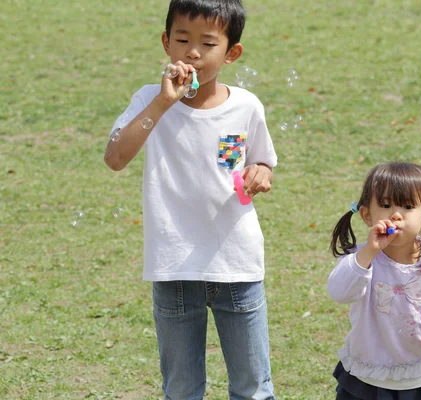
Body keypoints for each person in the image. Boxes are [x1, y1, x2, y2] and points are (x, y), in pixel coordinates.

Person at [103, 1, 277, 399]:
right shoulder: (149, 99)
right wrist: (163, 103)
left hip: (237, 265)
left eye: (207, 43)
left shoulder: (246, 107)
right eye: (182, 39)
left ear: (231, 52)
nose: (193, 52)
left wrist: (261, 173)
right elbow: (115, 158)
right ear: (166, 43)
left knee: (253, 388)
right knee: (181, 389)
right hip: (173, 268)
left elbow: (261, 159)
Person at [327, 162, 421, 400]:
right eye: (385, 205)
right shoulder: (361, 259)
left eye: (408, 206)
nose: (395, 214)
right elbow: (339, 293)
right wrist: (368, 254)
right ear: (366, 215)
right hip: (371, 376)